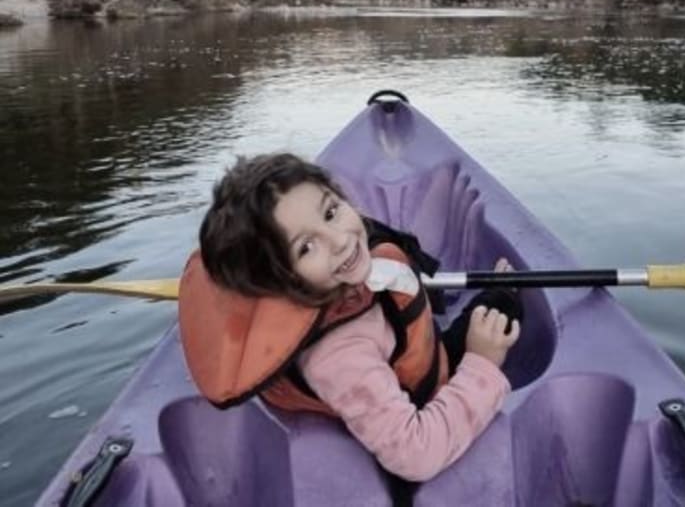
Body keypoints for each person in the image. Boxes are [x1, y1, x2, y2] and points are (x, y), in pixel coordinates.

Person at [177, 152, 523, 497]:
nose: (340, 240)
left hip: (413, 365)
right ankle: (496, 311)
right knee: (505, 313)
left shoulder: (336, 275)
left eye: (330, 212)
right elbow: (417, 454)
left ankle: (496, 300)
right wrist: (481, 364)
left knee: (497, 305)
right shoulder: (340, 357)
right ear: (277, 284)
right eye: (306, 247)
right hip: (414, 413)